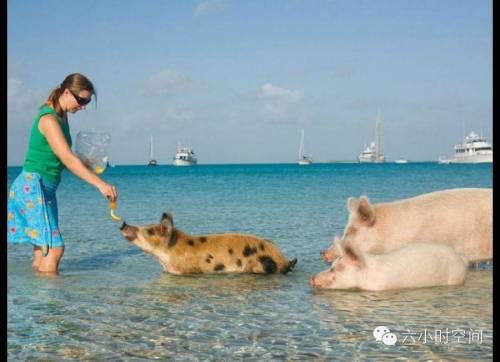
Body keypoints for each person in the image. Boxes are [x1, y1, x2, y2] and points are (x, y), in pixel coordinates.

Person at [7, 73, 118, 274]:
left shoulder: (62, 116)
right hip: (34, 186)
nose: (83, 106)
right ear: (67, 92)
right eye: (81, 100)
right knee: (55, 248)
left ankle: (36, 300)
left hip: (45, 188)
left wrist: (84, 164)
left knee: (42, 250)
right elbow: (67, 158)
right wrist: (100, 184)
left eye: (87, 102)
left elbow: (61, 158)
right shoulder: (49, 119)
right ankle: (51, 301)